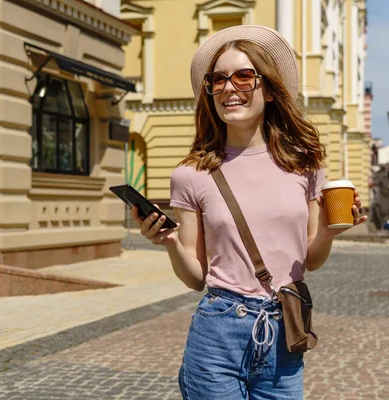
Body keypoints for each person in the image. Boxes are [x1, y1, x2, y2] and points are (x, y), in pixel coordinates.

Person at [130, 25, 367, 400]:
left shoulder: (304, 165)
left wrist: (326, 233)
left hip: (284, 330)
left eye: (243, 76)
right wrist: (170, 242)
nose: (229, 88)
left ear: (269, 90)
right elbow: (195, 278)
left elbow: (310, 260)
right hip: (218, 334)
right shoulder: (191, 175)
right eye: (218, 79)